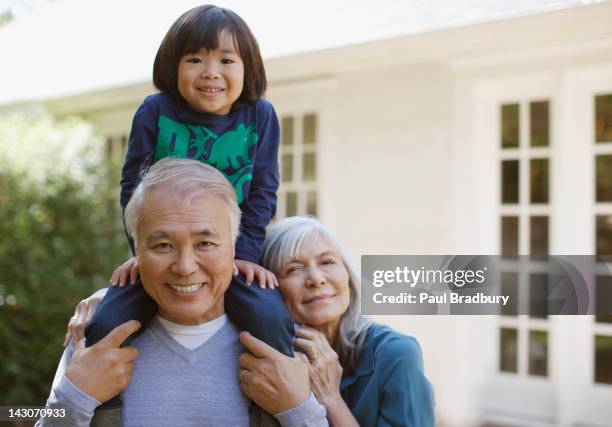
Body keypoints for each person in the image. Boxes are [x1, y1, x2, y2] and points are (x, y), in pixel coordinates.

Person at [84, 4, 295, 410]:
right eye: (194, 59)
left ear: (248, 68)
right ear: (173, 66)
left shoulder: (260, 116)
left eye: (226, 60)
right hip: (163, 254)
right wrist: (143, 254)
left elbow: (264, 190)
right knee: (107, 322)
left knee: (271, 319)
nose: (210, 71)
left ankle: (272, 411)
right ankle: (105, 412)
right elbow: (133, 187)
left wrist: (245, 256)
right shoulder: (155, 111)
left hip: (231, 255)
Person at [39, 158, 326, 426]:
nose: (185, 267)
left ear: (234, 247)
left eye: (205, 244)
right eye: (163, 245)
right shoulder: (96, 339)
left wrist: (298, 409)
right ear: (135, 252)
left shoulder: (287, 345)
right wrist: (74, 398)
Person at [242, 216, 436, 426]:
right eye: (293, 269)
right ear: (270, 288)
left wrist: (331, 399)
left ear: (348, 277)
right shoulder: (265, 362)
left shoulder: (397, 354)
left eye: (327, 262)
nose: (316, 279)